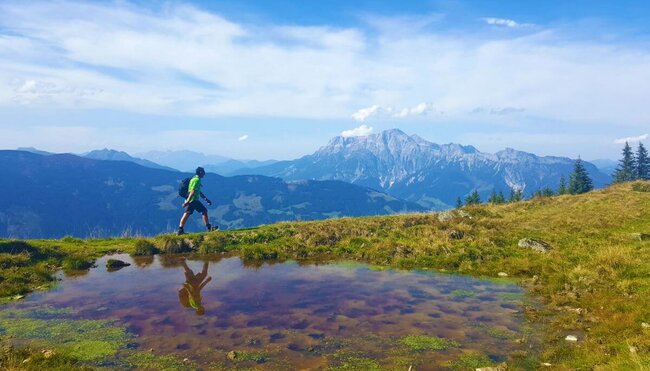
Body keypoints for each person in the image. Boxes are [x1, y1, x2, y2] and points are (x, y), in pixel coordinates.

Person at [178, 167, 216, 235]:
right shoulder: (197, 180)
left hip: (190, 200)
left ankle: (180, 229)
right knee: (204, 211)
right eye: (203, 172)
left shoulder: (193, 179)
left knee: (187, 214)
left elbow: (197, 191)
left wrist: (205, 199)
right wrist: (188, 201)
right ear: (200, 172)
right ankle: (209, 228)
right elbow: (192, 191)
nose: (204, 173)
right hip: (193, 200)